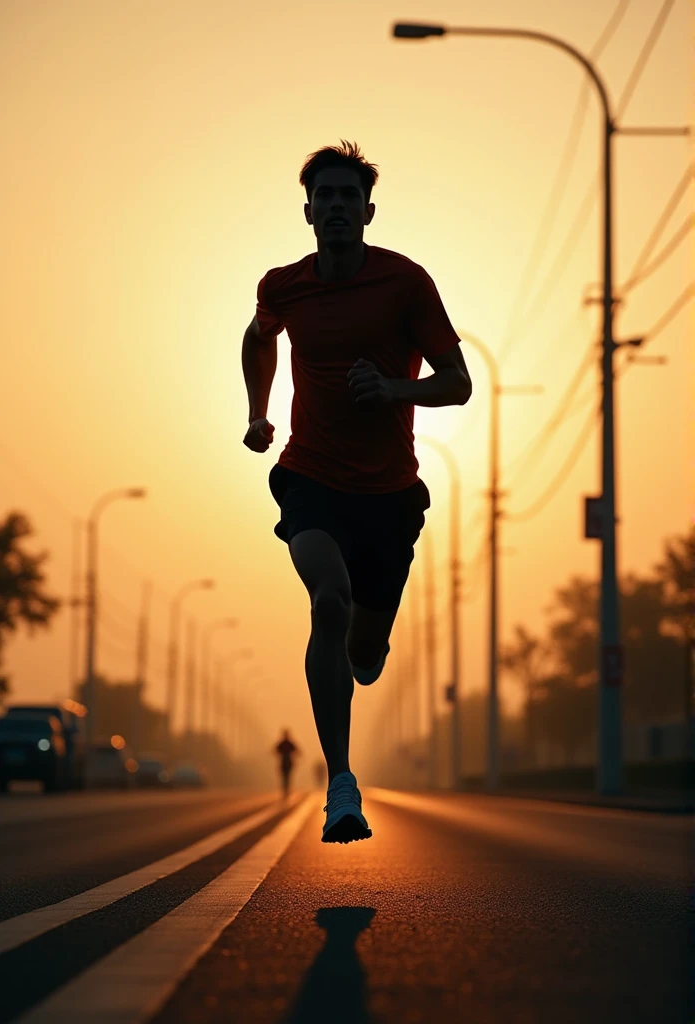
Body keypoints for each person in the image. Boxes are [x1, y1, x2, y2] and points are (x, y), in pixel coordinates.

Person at [242, 141, 472, 844]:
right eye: (326, 196)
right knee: (329, 600)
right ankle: (341, 783)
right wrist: (257, 412)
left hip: (390, 496)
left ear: (367, 211)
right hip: (309, 477)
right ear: (308, 211)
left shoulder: (405, 284)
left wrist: (394, 387)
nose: (337, 206)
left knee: (364, 651)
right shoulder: (284, 285)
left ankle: (366, 653)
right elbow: (259, 336)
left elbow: (457, 383)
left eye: (349, 197)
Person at [274, 728, 300, 798]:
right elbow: (297, 751)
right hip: (287, 761)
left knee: (286, 776)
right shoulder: (288, 743)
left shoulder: (283, 743)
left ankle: (286, 789)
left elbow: (275, 750)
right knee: (286, 776)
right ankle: (286, 789)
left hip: (286, 761)